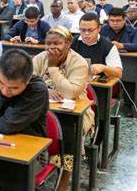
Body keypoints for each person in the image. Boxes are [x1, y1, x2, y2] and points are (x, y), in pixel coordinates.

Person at [32, 26, 94, 190]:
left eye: (57, 43)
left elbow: (70, 92)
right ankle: (34, 169)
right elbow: (28, 81)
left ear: (68, 43)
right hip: (44, 105)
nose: (51, 48)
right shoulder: (40, 57)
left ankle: (64, 181)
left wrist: (52, 68)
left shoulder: (79, 62)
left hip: (75, 109)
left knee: (70, 133)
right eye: (48, 44)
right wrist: (46, 90)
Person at [100, 8, 137, 117]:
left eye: (118, 20)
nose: (115, 23)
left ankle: (128, 104)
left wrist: (121, 46)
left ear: (124, 19)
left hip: (127, 62)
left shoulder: (133, 30)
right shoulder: (103, 29)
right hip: (106, 61)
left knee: (129, 78)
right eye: (112, 20)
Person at [71, 12, 122, 79]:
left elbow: (118, 73)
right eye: (83, 30)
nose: (86, 33)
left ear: (99, 29)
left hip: (97, 86)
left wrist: (104, 68)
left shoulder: (108, 46)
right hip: (74, 82)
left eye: (90, 30)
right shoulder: (72, 42)